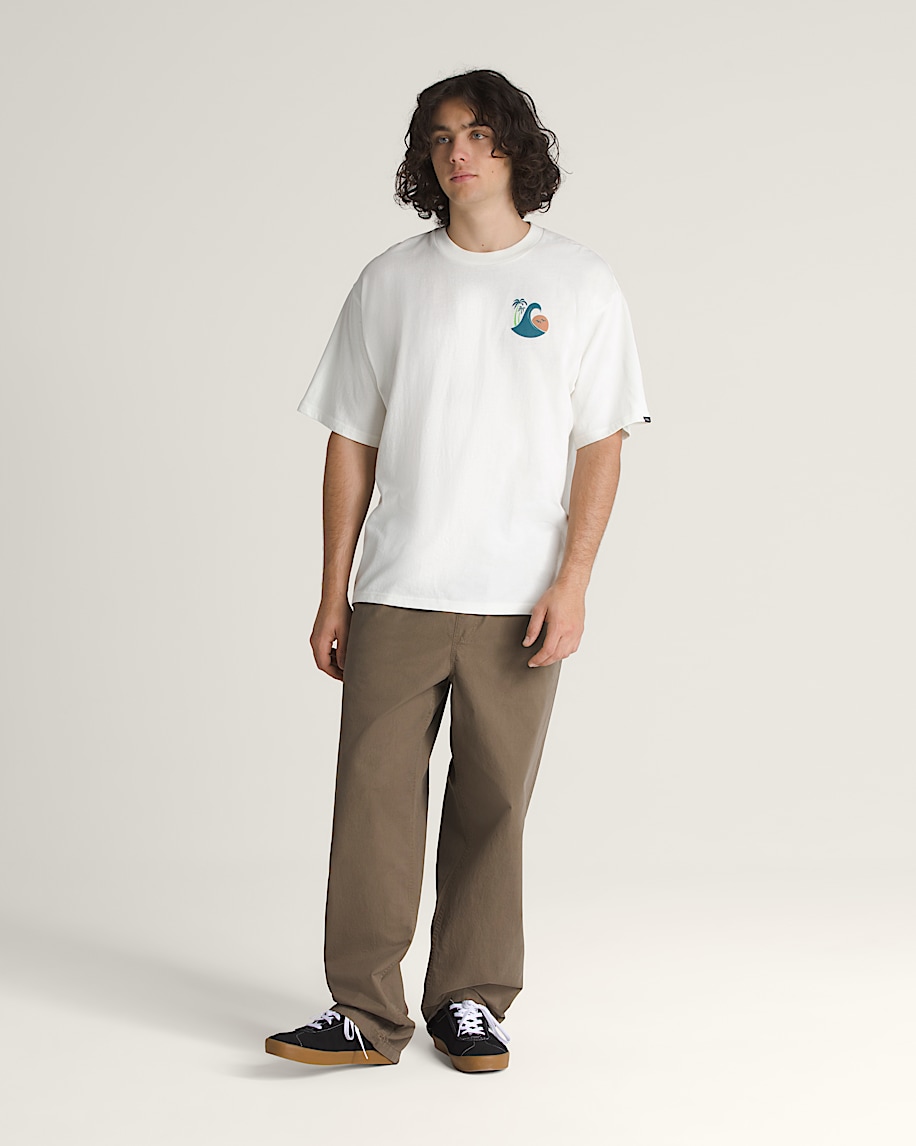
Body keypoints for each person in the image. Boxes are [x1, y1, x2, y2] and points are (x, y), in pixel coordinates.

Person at [265, 67, 651, 1073]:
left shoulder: (581, 283)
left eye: (478, 133)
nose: (458, 152)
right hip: (397, 587)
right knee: (371, 805)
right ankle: (363, 1012)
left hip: (519, 597)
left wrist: (574, 581)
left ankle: (470, 1000)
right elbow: (350, 440)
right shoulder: (390, 281)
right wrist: (332, 592)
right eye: (439, 137)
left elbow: (601, 442)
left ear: (517, 147)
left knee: (495, 805)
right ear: (422, 158)